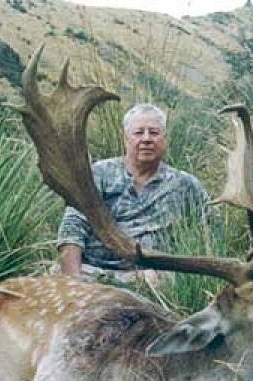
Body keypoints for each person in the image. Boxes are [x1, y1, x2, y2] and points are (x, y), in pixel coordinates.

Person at [55, 103, 209, 285]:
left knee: (162, 280)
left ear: (165, 139)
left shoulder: (186, 185)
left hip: (152, 277)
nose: (146, 139)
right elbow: (73, 227)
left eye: (154, 132)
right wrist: (73, 281)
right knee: (58, 273)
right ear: (125, 138)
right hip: (94, 272)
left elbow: (208, 236)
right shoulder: (97, 174)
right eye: (138, 132)